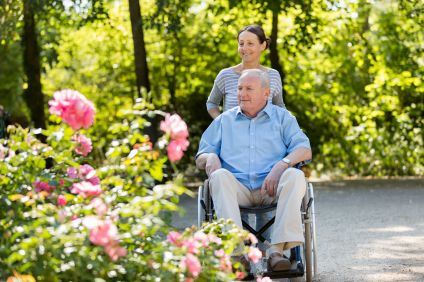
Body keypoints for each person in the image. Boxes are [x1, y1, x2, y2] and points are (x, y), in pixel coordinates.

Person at [196, 69, 312, 271]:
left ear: (266, 93)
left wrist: (282, 164)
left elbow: (304, 149)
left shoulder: (282, 118)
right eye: (240, 88)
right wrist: (211, 156)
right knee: (219, 176)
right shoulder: (224, 120)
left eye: (249, 88)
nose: (242, 93)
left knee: (295, 175)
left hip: (272, 188)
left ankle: (276, 252)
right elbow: (201, 157)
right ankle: (237, 253)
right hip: (238, 188)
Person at [206, 24, 285, 237]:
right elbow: (211, 103)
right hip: (234, 145)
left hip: (265, 141)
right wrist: (220, 121)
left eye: (250, 43)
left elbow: (280, 107)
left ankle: (267, 249)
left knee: (266, 187)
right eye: (241, 43)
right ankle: (240, 248)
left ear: (263, 46)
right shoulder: (226, 75)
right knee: (232, 187)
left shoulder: (273, 76)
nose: (245, 48)